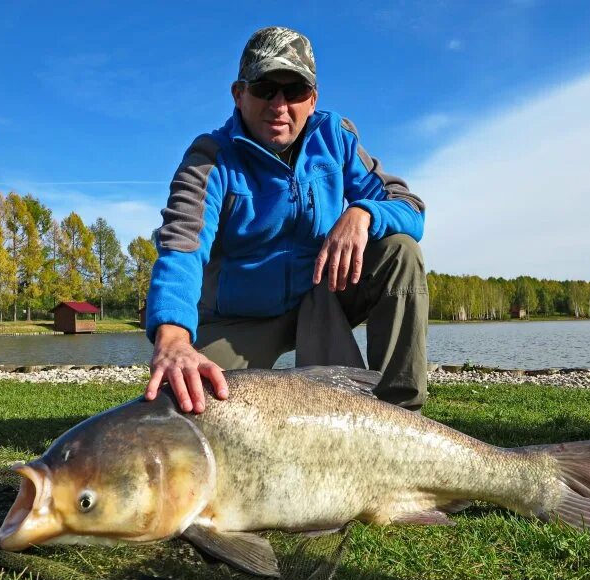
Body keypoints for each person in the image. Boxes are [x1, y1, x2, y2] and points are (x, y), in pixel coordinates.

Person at [144, 26, 428, 413]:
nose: (279, 105)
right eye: (264, 88)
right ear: (239, 94)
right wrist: (173, 338)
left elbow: (409, 207)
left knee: (400, 250)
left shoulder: (336, 137)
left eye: (294, 91)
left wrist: (364, 211)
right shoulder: (210, 157)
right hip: (239, 316)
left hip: (321, 299)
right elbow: (182, 247)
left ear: (312, 100)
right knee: (187, 409)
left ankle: (401, 413)